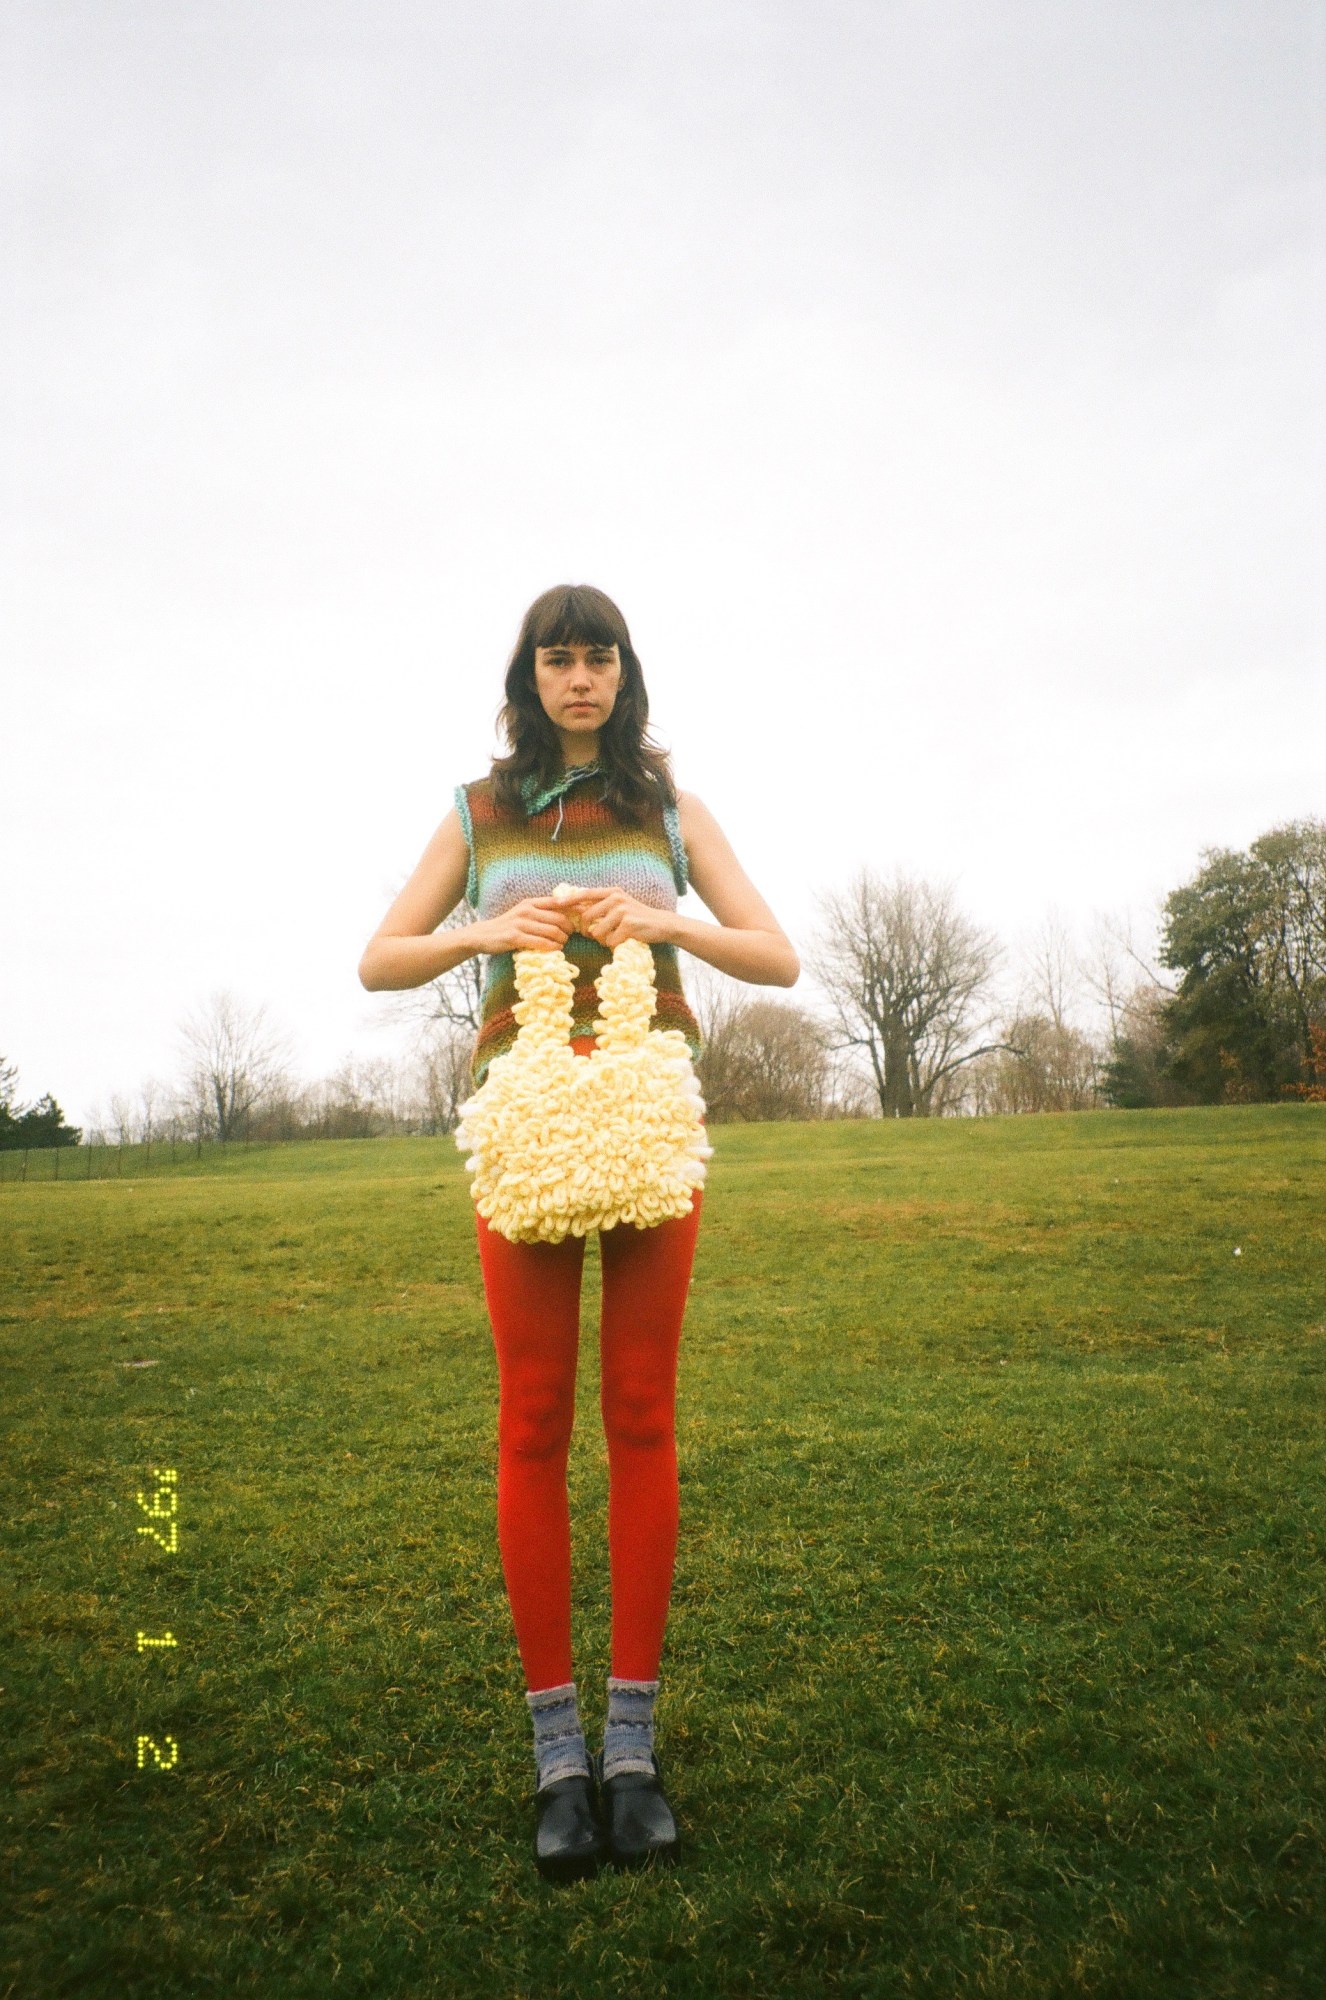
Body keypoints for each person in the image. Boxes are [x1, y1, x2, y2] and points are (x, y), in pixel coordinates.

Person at [358, 584, 799, 1880]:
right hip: (526, 1127)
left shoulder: (671, 812)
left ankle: (631, 1751)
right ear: (528, 675)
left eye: (597, 655)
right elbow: (377, 955)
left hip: (650, 1124)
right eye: (557, 657)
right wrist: (485, 931)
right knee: (533, 1419)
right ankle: (558, 1761)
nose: (578, 676)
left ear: (623, 672)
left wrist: (668, 921)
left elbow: (775, 953)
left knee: (643, 1416)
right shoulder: (476, 814)